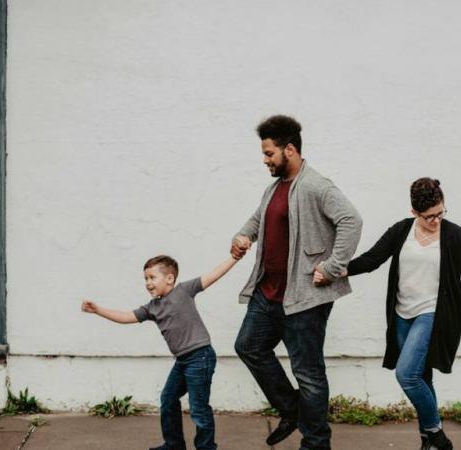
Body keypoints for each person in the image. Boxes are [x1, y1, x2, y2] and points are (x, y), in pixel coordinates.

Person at [314, 177, 461, 450]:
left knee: (407, 375)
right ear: (414, 212)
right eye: (429, 217)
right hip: (402, 315)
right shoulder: (401, 231)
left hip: (433, 313)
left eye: (440, 213)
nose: (436, 221)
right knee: (422, 376)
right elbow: (372, 259)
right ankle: (429, 441)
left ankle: (437, 433)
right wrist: (336, 271)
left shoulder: (455, 236)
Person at [231, 115, 362, 450]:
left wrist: (333, 266)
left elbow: (352, 220)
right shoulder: (274, 187)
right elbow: (259, 218)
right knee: (248, 346)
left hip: (304, 299)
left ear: (289, 149)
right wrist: (244, 235)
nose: (265, 160)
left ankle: (316, 443)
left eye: (269, 153)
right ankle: (292, 410)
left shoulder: (316, 185)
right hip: (268, 294)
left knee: (309, 375)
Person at [81, 254, 239, 450]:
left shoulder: (184, 291)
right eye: (145, 279)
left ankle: (206, 447)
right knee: (168, 398)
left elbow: (213, 275)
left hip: (200, 356)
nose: (147, 283)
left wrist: (234, 257)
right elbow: (125, 316)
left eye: (152, 277)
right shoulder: (152, 308)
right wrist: (98, 310)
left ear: (170, 278)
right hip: (182, 361)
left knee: (198, 408)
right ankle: (174, 445)